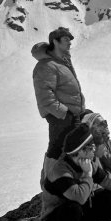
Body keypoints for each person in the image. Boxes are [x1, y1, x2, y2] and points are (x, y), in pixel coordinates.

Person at [32, 27, 85, 187]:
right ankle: (49, 185)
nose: (70, 42)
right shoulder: (46, 66)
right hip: (61, 118)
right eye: (66, 39)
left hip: (71, 115)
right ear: (55, 41)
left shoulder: (62, 62)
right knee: (57, 150)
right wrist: (64, 113)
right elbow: (45, 96)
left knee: (70, 150)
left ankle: (66, 183)